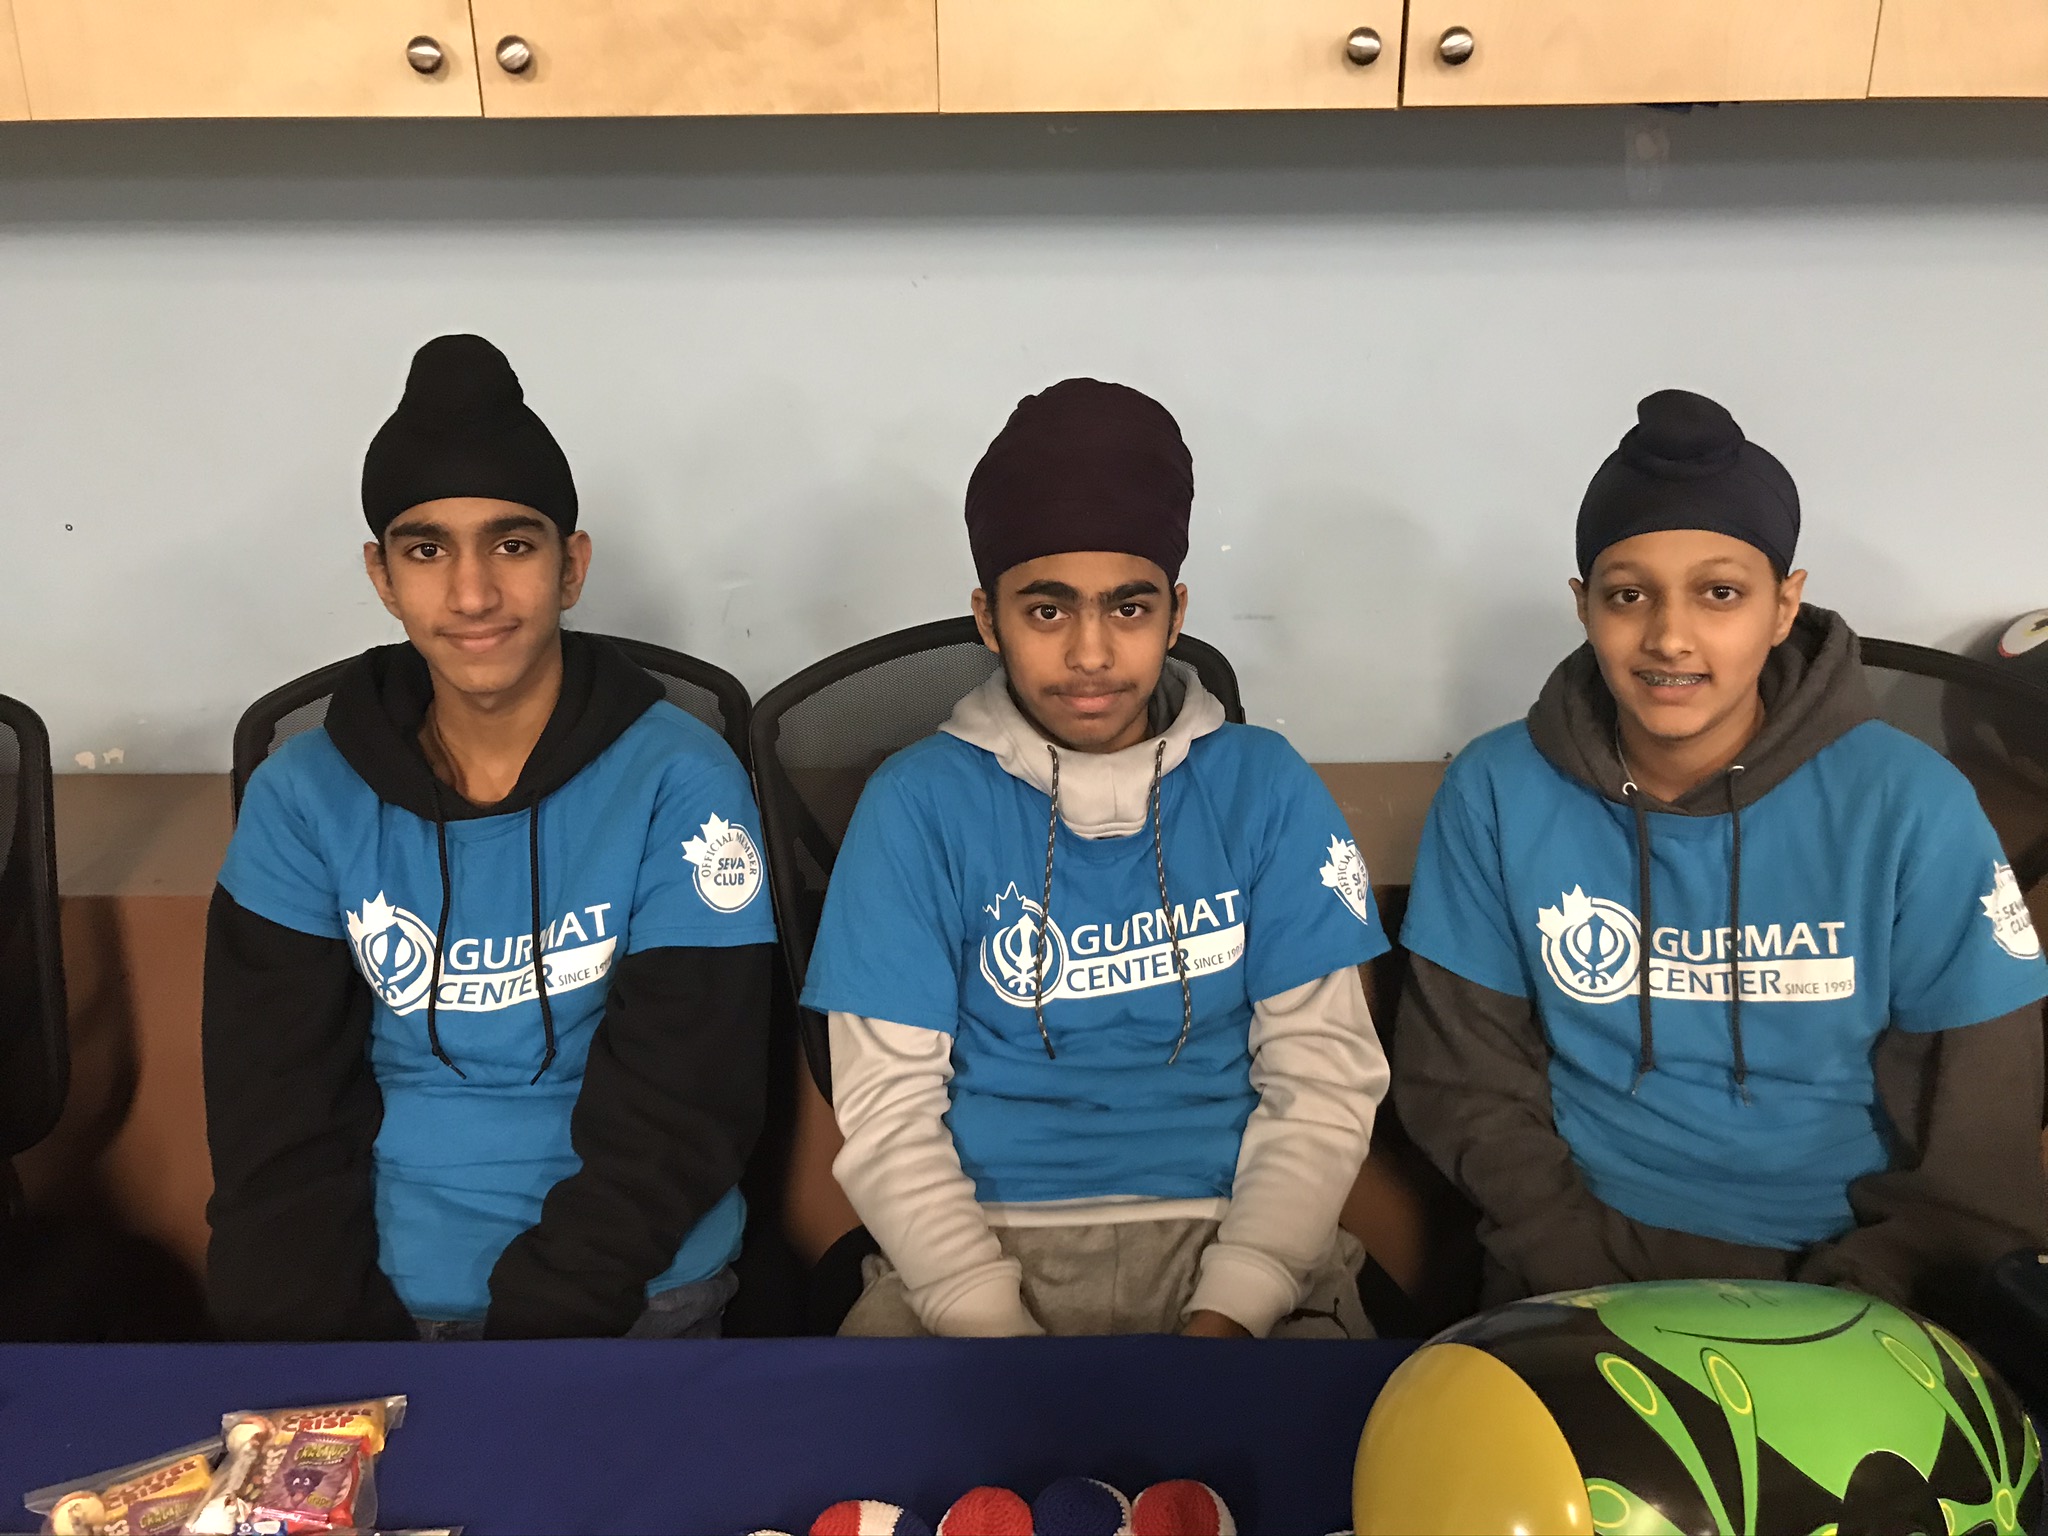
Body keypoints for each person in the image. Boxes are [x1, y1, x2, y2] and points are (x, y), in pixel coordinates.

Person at [1394, 388, 2048, 1322]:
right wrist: (1568, 1264)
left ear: (1785, 606)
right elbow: (1464, 1078)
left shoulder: (1911, 805)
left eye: (1720, 593)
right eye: (1629, 595)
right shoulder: (1496, 789)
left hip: (1853, 1271)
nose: (1670, 636)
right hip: (1578, 1260)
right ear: (1584, 607)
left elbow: (1976, 1122)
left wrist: (1865, 1298)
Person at [203, 334, 776, 1340]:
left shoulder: (681, 779)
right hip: (375, 1290)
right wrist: (329, 1334)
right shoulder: (302, 794)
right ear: (383, 576)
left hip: (628, 1293)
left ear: (571, 567)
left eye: (512, 545)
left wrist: (533, 1342)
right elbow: (272, 1112)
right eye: (427, 550)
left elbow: (685, 1106)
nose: (471, 594)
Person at [801, 379, 1391, 1338]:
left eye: (1128, 608)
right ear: (988, 619)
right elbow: (888, 1112)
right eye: (1047, 612)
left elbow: (1323, 1080)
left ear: (1175, 612)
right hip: (976, 1251)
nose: (1090, 653)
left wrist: (1237, 1302)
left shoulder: (1267, 786)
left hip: (1236, 1238)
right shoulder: (915, 804)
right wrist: (989, 1324)